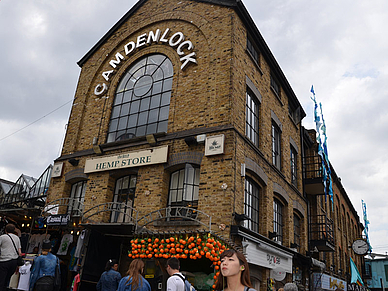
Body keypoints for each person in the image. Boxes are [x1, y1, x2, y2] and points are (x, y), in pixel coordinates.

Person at [0, 223, 22, 291]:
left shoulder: (2, 237)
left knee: (1, 280)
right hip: (14, 262)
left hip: (4, 261)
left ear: (5, 230)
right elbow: (20, 252)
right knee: (7, 280)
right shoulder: (17, 238)